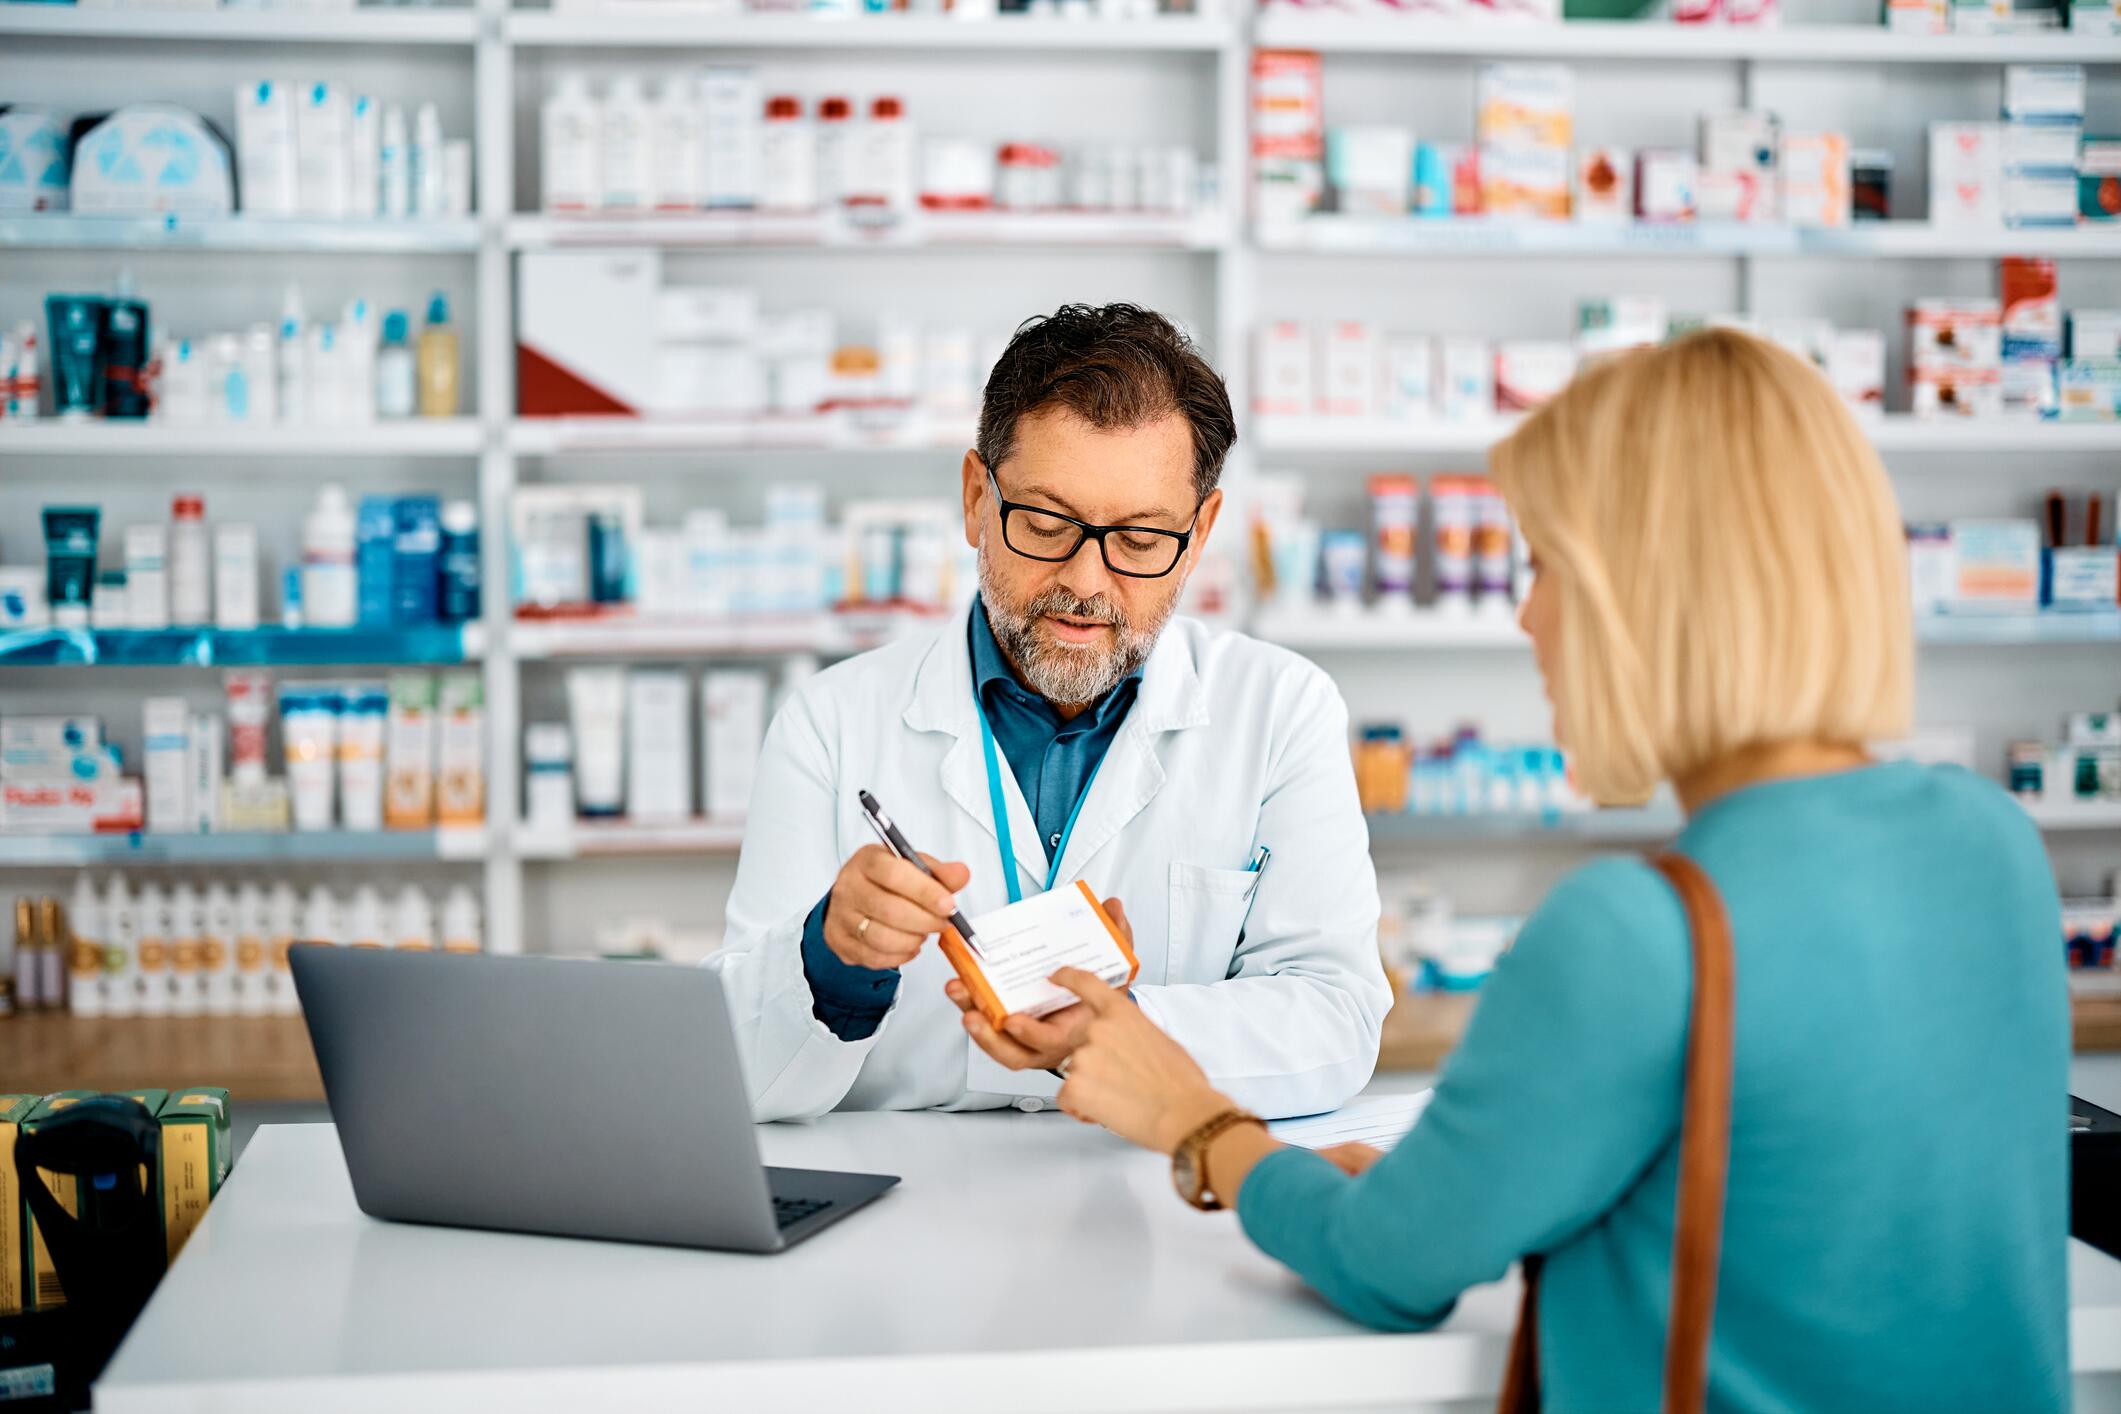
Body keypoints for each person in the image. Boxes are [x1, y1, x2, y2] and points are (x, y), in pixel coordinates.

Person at [1048, 329, 2070, 1411]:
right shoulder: (1990, 841)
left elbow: (1387, 1266)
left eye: (1543, 565)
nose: (1526, 612)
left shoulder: (1640, 930)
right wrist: (1459, 1186)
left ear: (1651, 595)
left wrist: (1199, 1125)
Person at [716, 303, 1391, 1122]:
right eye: (1043, 524)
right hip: (912, 1185)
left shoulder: (1280, 709)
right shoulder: (830, 721)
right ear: (976, 499)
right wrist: (831, 960)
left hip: (1150, 1179)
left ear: (1199, 532)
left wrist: (1118, 1031)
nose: (1086, 581)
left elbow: (1334, 1018)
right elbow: (739, 1066)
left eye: (1139, 540)